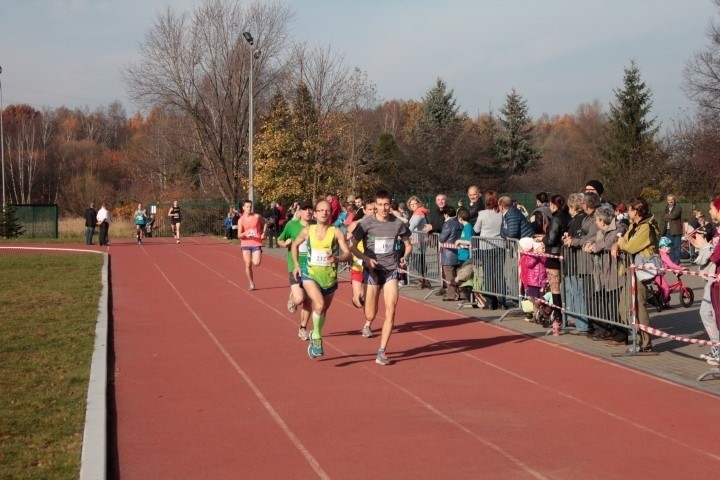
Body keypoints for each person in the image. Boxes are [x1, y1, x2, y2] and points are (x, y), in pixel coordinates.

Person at [351, 190, 413, 366]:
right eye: (380, 205)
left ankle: (381, 351)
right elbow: (353, 247)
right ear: (375, 206)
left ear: (390, 204)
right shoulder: (366, 224)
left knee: (391, 310)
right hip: (372, 270)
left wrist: (404, 257)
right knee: (370, 313)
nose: (384, 208)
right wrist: (365, 259)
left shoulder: (398, 224)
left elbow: (408, 245)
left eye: (386, 204)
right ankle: (366, 307)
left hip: (391, 270)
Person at [291, 200, 352, 359]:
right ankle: (317, 337)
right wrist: (297, 265)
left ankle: (315, 333)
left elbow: (347, 254)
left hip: (329, 278)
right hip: (310, 275)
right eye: (321, 210)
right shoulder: (307, 231)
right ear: (315, 213)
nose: (324, 213)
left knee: (322, 310)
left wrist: (337, 258)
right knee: (319, 304)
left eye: (327, 210)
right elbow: (294, 245)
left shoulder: (336, 232)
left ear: (330, 213)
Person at [612, 197, 660, 353]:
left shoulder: (646, 227)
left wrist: (619, 244)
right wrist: (617, 244)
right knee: (624, 308)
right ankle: (638, 337)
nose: (628, 212)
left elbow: (630, 247)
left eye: (630, 209)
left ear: (637, 211)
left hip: (641, 271)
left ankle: (645, 342)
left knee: (638, 306)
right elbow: (622, 241)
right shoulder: (633, 225)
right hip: (630, 270)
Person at [689, 197, 720, 364]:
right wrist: (700, 245)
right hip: (713, 279)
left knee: (711, 313)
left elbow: (715, 256)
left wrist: (704, 246)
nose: (709, 212)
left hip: (716, 278)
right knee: (706, 312)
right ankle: (717, 347)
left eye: (711, 208)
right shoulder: (716, 229)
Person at [278, 200, 314, 340]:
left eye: (310, 209)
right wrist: (284, 243)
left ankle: (303, 328)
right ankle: (293, 297)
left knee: (308, 301)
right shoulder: (292, 225)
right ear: (300, 212)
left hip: (312, 267)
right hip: (295, 266)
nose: (308, 212)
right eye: (305, 209)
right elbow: (280, 240)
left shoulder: (317, 226)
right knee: (300, 299)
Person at [537, 194, 571, 322]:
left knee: (555, 286)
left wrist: (543, 239)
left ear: (554, 205)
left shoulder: (556, 219)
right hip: (565, 254)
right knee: (563, 285)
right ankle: (561, 313)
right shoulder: (569, 217)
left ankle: (558, 315)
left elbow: (551, 239)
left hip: (554, 254)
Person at [238, 200, 267, 291]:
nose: (249, 208)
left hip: (256, 243)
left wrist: (263, 233)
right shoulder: (241, 220)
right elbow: (239, 235)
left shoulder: (257, 216)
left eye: (250, 206)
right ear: (243, 208)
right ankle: (251, 283)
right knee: (248, 264)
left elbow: (265, 223)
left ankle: (258, 253)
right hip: (245, 243)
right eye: (247, 207)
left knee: (256, 263)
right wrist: (246, 233)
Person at [439, 205, 463, 301]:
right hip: (459, 251)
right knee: (459, 274)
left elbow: (442, 238)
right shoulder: (460, 223)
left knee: (449, 274)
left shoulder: (447, 224)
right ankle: (462, 293)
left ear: (446, 214)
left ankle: (451, 294)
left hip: (448, 253)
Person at [519, 237, 547, 320]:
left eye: (544, 248)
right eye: (542, 248)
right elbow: (529, 264)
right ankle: (536, 314)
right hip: (533, 281)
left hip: (541, 281)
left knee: (541, 300)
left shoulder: (543, 256)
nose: (544, 250)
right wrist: (535, 255)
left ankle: (539, 315)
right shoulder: (530, 256)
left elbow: (545, 263)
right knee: (532, 298)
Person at [655, 236, 684, 306]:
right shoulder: (664, 255)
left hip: (658, 274)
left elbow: (668, 266)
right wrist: (680, 268)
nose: (670, 248)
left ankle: (663, 300)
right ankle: (664, 303)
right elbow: (671, 264)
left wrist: (675, 271)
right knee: (666, 289)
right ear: (663, 247)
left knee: (662, 290)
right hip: (658, 276)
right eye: (668, 246)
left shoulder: (662, 254)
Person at [663, 194, 683, 265]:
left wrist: (667, 216)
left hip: (676, 230)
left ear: (674, 200)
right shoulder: (666, 208)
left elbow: (674, 216)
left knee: (677, 247)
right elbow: (664, 217)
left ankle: (676, 262)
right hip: (668, 230)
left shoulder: (678, 207)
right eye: (669, 200)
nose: (670, 201)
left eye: (672, 199)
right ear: (667, 201)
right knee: (669, 247)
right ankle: (671, 262)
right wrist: (668, 216)